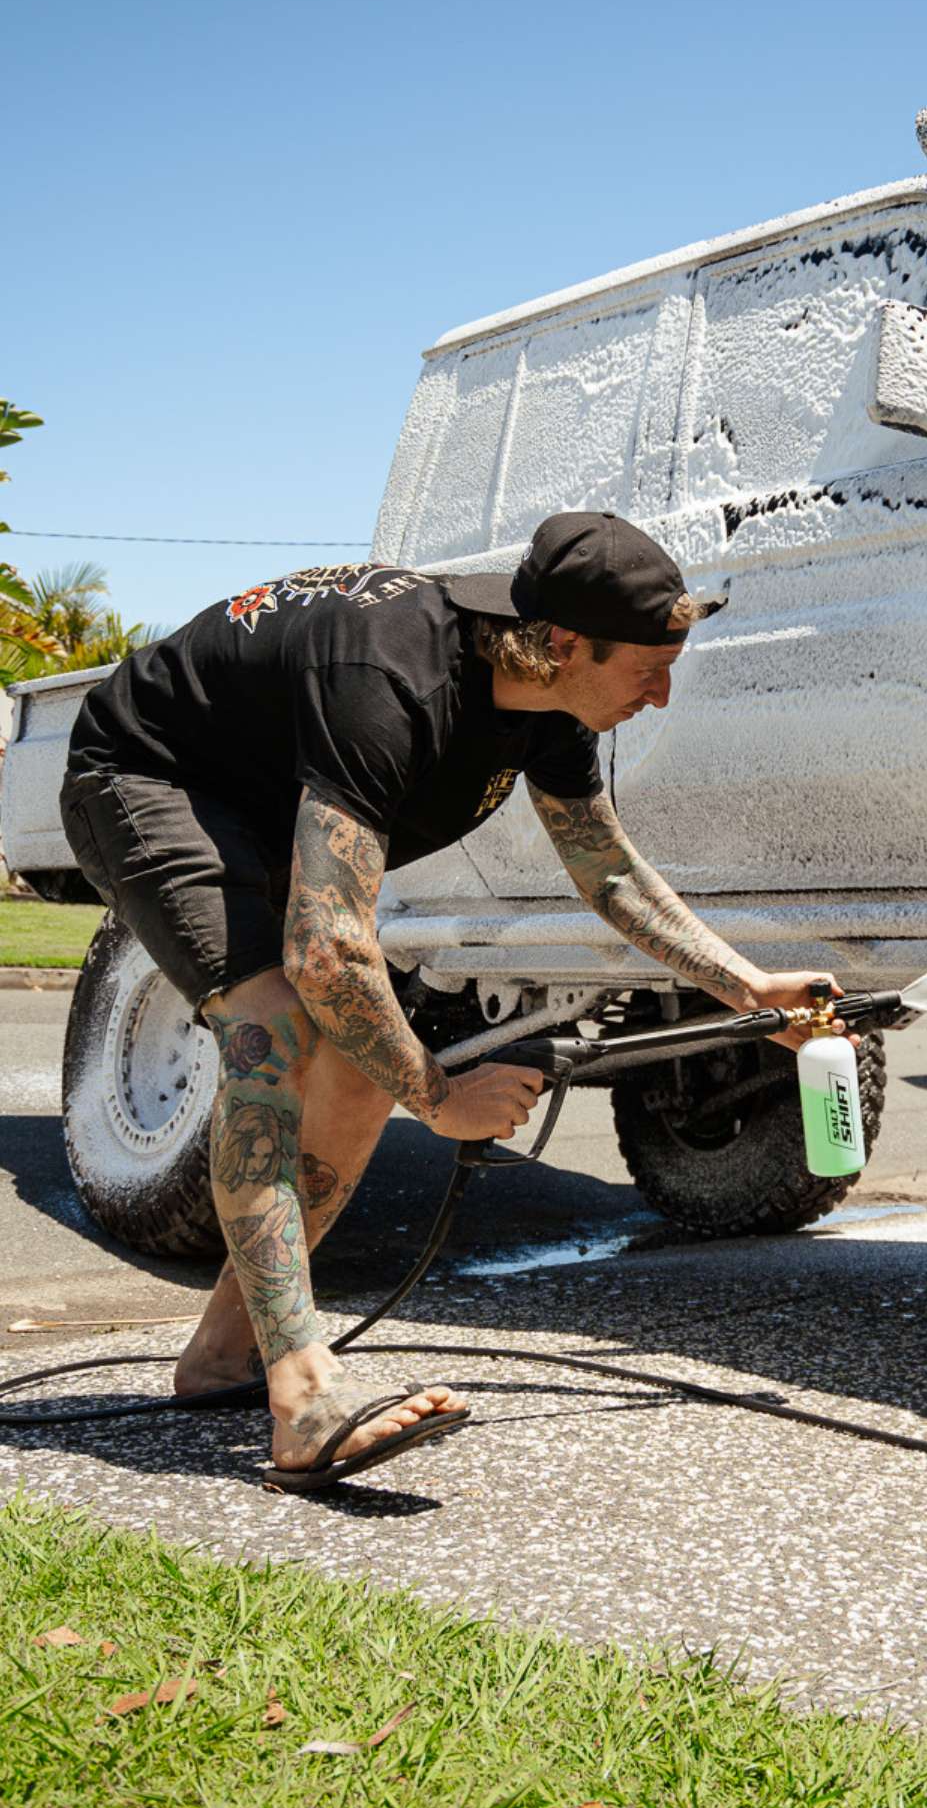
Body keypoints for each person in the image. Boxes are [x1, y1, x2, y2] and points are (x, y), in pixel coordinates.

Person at [60, 511, 843, 1492]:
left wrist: (746, 981)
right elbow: (325, 948)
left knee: (356, 1047)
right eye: (648, 664)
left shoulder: (551, 702)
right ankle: (302, 1398)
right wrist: (439, 1096)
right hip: (146, 774)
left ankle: (224, 1354)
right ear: (563, 643)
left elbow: (606, 869)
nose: (663, 690)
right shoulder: (393, 679)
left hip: (267, 800)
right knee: (276, 1030)